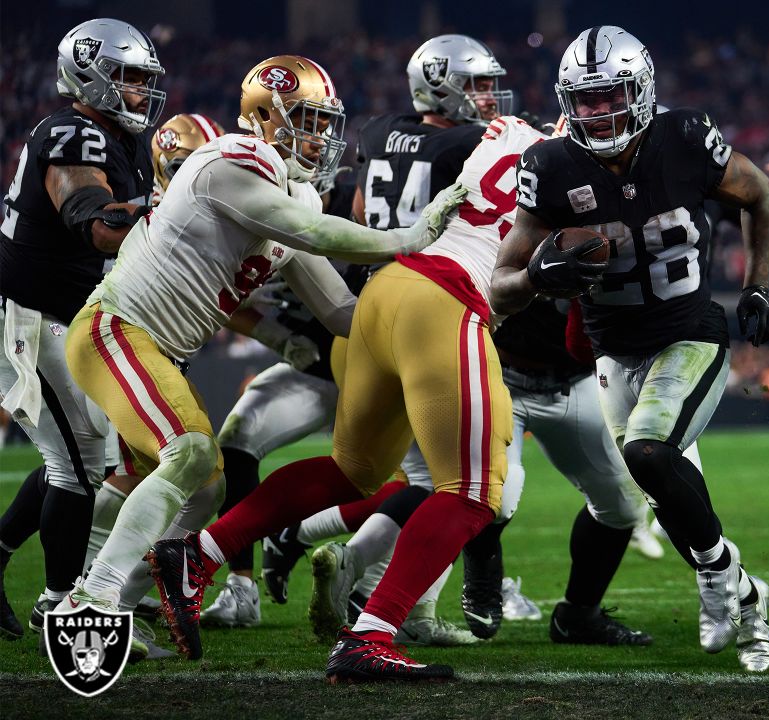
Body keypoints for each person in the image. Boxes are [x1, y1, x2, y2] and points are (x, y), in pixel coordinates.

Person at [53, 54, 456, 665]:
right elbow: (315, 234)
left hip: (157, 349)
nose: (322, 137)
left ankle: (102, 598)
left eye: (327, 122)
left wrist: (436, 315)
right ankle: (94, 601)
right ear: (264, 117)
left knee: (202, 488)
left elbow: (346, 314)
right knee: (189, 453)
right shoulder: (232, 162)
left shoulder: (288, 191)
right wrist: (412, 238)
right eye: (309, 121)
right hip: (116, 329)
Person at [155, 113, 541, 681]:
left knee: (351, 472)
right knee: (474, 492)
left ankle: (200, 552)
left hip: (385, 286)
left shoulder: (507, 130)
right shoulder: (574, 166)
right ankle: (372, 633)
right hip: (445, 302)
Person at [490, 25, 769, 671]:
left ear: (641, 90)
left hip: (688, 334)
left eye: (609, 95)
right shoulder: (550, 167)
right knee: (671, 495)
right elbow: (500, 290)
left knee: (647, 452)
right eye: (583, 99)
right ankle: (748, 594)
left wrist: (757, 287)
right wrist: (538, 277)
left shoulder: (683, 137)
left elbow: (760, 193)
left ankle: (715, 577)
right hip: (612, 355)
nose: (596, 111)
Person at [0, 18, 163, 638]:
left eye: (144, 79)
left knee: (83, 446)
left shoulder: (111, 136)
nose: (140, 90)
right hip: (27, 312)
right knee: (77, 461)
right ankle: (66, 605)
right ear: (90, 74)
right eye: (127, 77)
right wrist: (159, 221)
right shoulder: (77, 132)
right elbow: (94, 220)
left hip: (62, 312)